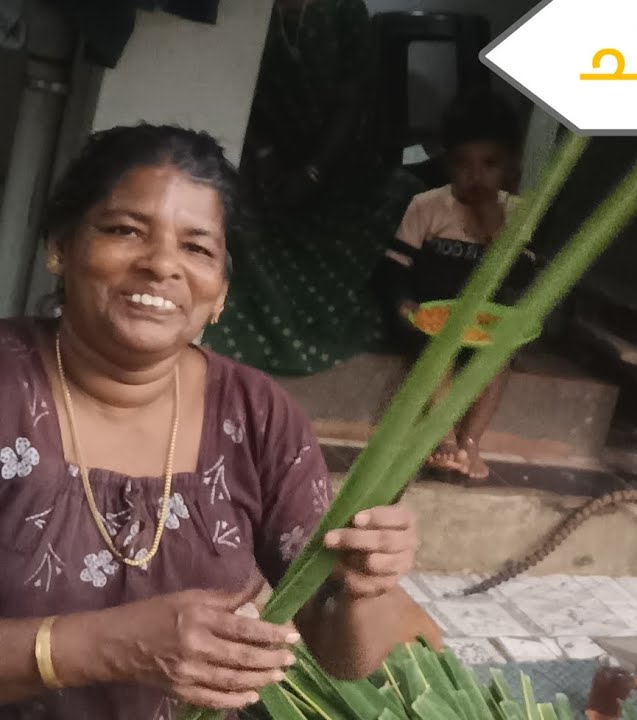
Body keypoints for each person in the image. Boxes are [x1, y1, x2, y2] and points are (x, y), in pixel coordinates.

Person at [0, 123, 436, 719]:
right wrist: (105, 647)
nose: (162, 265)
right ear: (61, 247)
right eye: (126, 230)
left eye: (198, 248)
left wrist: (365, 587)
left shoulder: (256, 415)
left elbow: (342, 656)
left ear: (222, 292)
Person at [199, 0, 425, 376]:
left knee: (405, 197)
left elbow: (351, 101)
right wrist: (265, 153)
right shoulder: (244, 8)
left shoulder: (345, 10)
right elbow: (227, 86)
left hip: (334, 165)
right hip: (260, 158)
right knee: (228, 209)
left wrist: (313, 172)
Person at [372, 90, 532, 483]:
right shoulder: (427, 206)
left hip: (485, 325)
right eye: (463, 163)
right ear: (447, 165)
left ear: (511, 169)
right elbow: (394, 269)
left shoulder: (517, 213)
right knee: (437, 353)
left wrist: (494, 226)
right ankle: (442, 436)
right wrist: (404, 303)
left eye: (489, 164)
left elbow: (522, 278)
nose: (475, 176)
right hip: (431, 317)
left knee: (497, 364)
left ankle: (470, 441)